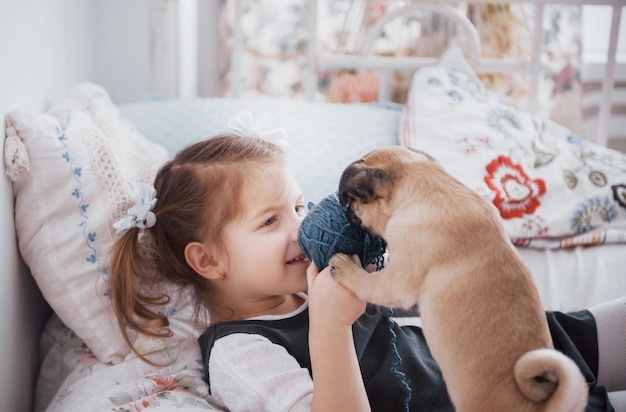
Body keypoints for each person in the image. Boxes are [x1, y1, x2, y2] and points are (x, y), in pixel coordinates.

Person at [109, 132, 625, 411]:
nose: (299, 227)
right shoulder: (237, 351)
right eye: (269, 221)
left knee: (574, 328)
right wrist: (329, 327)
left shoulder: (314, 283)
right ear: (209, 260)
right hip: (476, 399)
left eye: (299, 206)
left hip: (500, 353)